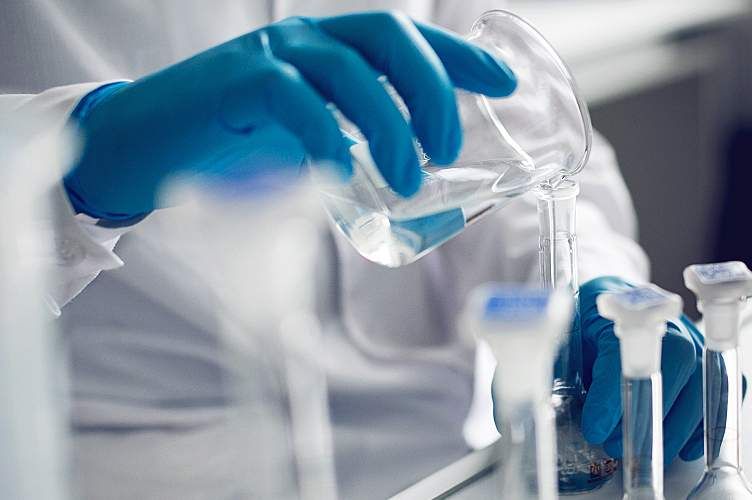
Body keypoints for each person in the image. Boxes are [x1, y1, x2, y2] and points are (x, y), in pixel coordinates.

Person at [0, 1, 714, 497]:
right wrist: (82, 156)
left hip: (434, 469)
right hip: (120, 466)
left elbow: (525, 139)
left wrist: (600, 291)